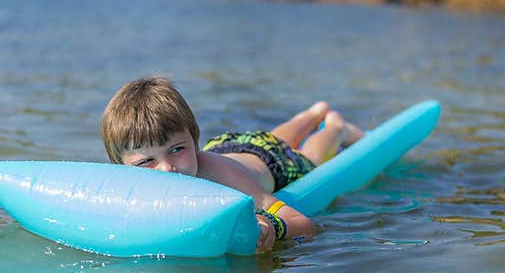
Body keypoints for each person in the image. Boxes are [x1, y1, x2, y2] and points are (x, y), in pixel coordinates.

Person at [101, 75, 364, 252]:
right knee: (270, 138)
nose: (166, 168)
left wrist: (272, 225)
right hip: (228, 147)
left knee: (309, 158)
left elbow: (305, 224)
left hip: (271, 162)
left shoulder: (220, 176)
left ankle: (334, 127)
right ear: (122, 166)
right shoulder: (136, 181)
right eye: (147, 161)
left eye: (177, 149)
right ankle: (310, 114)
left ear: (194, 141)